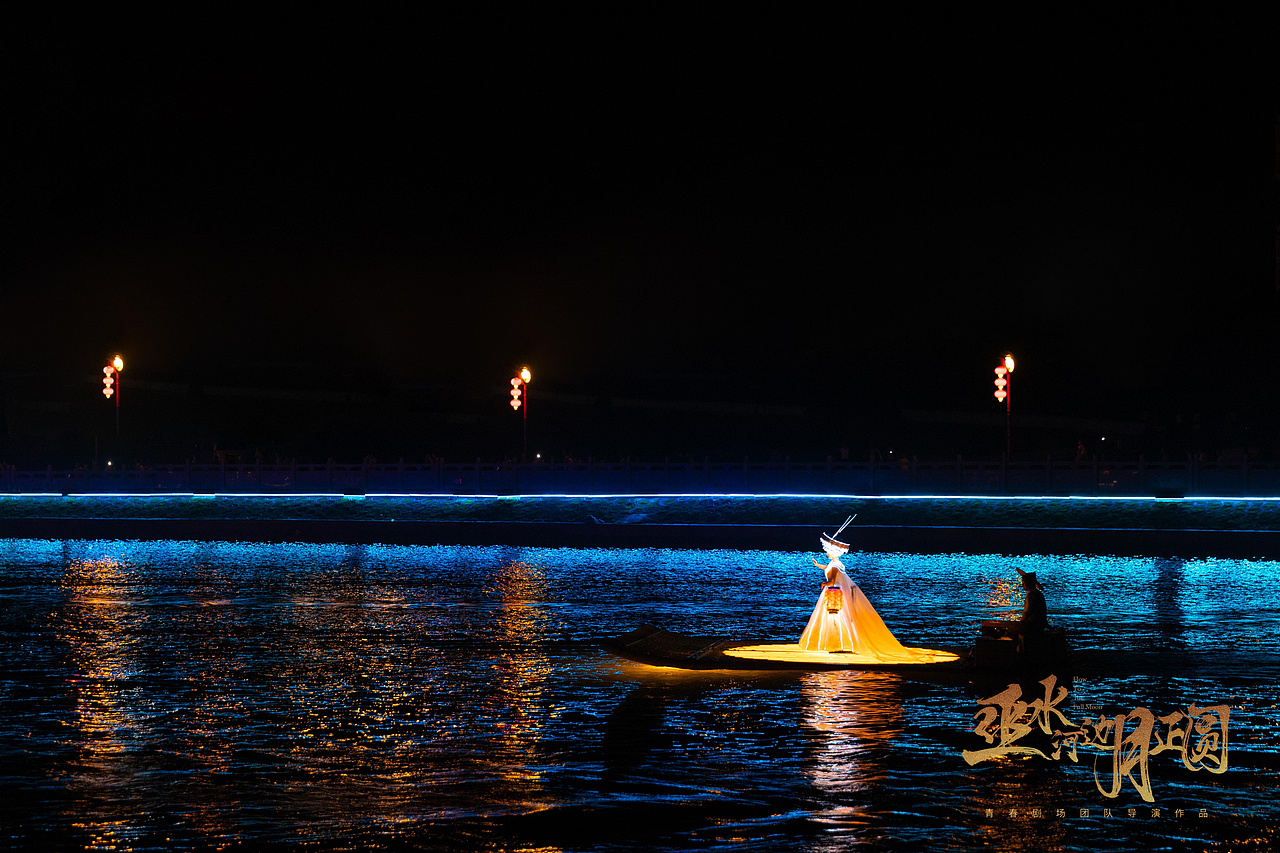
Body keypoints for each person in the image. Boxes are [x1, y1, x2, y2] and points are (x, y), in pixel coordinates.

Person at [798, 517, 915, 659]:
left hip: (834, 596)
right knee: (836, 619)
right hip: (837, 594)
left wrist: (824, 584)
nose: (826, 553)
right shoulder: (837, 564)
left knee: (835, 619)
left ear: (833, 552)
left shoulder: (835, 566)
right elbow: (829, 568)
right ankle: (840, 643)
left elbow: (832, 579)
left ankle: (838, 643)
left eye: (828, 551)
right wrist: (818, 565)